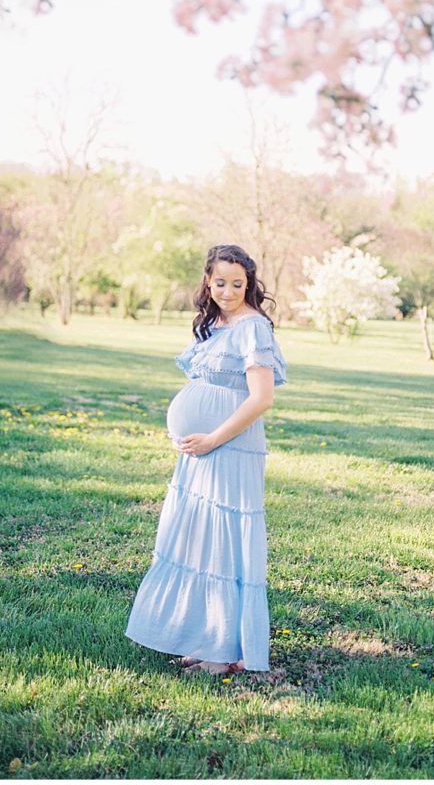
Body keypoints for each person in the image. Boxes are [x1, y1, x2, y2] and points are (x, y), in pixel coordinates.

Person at [125, 243, 287, 675]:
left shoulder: (253, 328)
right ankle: (208, 637)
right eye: (220, 282)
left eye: (238, 283)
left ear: (249, 283)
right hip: (203, 453)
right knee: (201, 541)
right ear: (207, 282)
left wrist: (213, 437)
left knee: (224, 543)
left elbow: (262, 398)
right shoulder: (216, 324)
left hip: (230, 448)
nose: (229, 291)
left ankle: (223, 654)